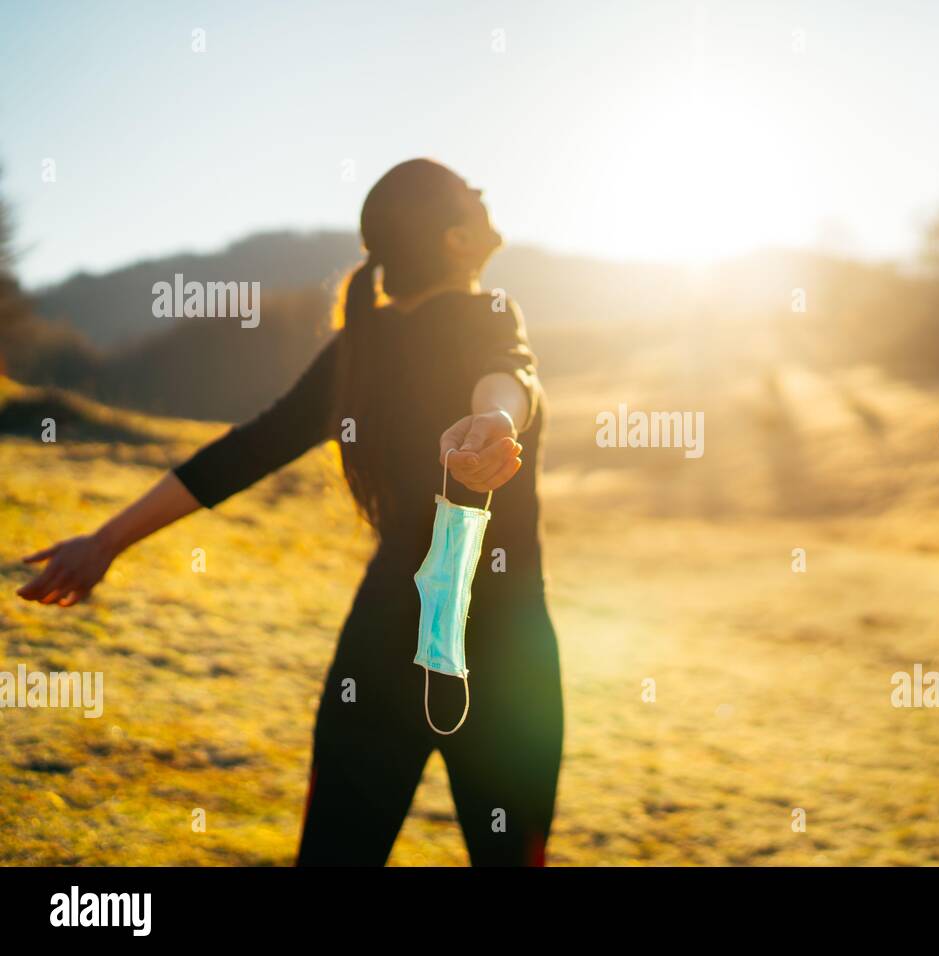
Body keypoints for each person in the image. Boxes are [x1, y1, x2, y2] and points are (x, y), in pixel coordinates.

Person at [17, 159, 564, 867]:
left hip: (381, 643)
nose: (486, 192)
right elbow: (510, 369)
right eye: (470, 193)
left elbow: (246, 449)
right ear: (457, 240)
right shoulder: (472, 314)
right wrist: (495, 416)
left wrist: (108, 540)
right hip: (506, 648)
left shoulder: (360, 346)